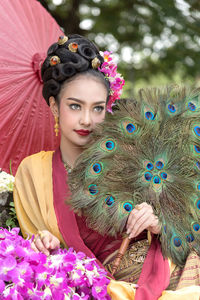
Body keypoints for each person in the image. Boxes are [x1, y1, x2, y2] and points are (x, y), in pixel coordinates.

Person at [13, 34, 200, 300]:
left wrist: (157, 224)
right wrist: (42, 241)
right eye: (75, 106)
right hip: (90, 286)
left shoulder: (130, 156)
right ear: (54, 106)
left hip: (165, 274)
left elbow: (186, 223)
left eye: (97, 108)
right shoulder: (33, 171)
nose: (87, 120)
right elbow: (36, 247)